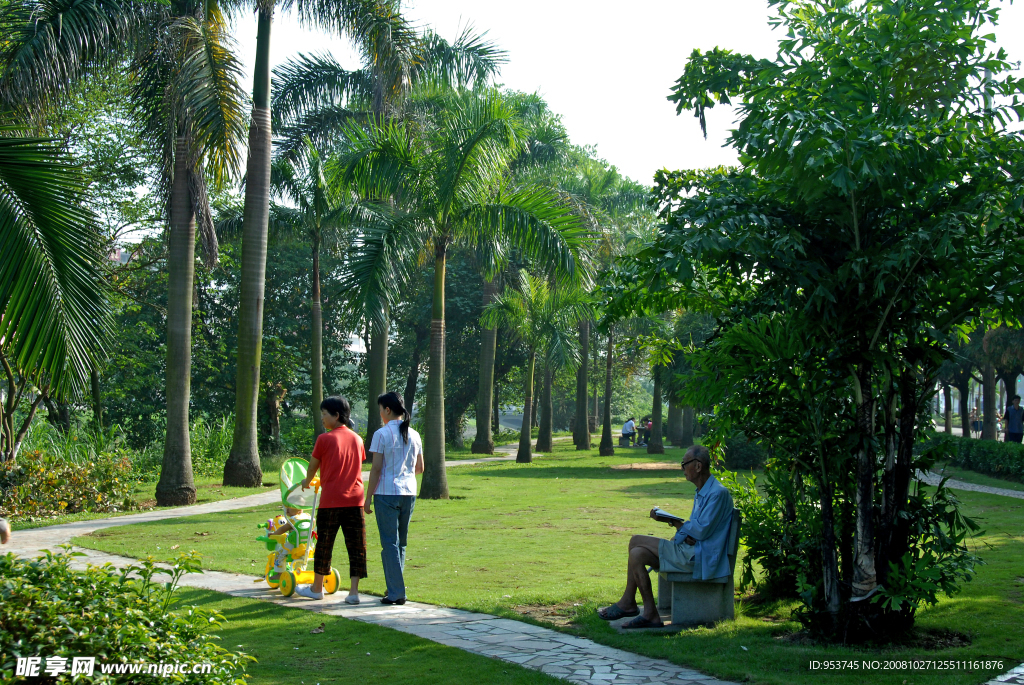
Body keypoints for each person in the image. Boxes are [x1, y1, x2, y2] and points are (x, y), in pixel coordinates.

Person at [597, 444, 734, 628]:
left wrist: (677, 524)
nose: (682, 469)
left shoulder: (717, 493)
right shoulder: (703, 491)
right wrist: (684, 531)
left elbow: (701, 531)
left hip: (700, 557)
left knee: (635, 540)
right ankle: (650, 613)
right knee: (637, 553)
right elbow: (698, 530)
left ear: (698, 466)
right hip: (691, 550)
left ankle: (628, 602)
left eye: (684, 464)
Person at [295, 396, 367, 604]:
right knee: (356, 545)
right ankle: (354, 593)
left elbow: (312, 467)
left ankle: (317, 588)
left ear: (336, 416)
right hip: (355, 500)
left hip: (331, 500)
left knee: (325, 544)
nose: (322, 419)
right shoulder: (357, 439)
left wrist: (306, 482)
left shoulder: (324, 439)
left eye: (324, 414)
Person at [365, 392, 424, 605]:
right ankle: (395, 589)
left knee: (389, 542)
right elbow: (420, 468)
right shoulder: (415, 435)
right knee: (401, 542)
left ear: (387, 410)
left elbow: (376, 468)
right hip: (409, 492)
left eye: (381, 409)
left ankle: (397, 591)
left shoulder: (381, 434)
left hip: (386, 492)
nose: (381, 413)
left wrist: (368, 497)